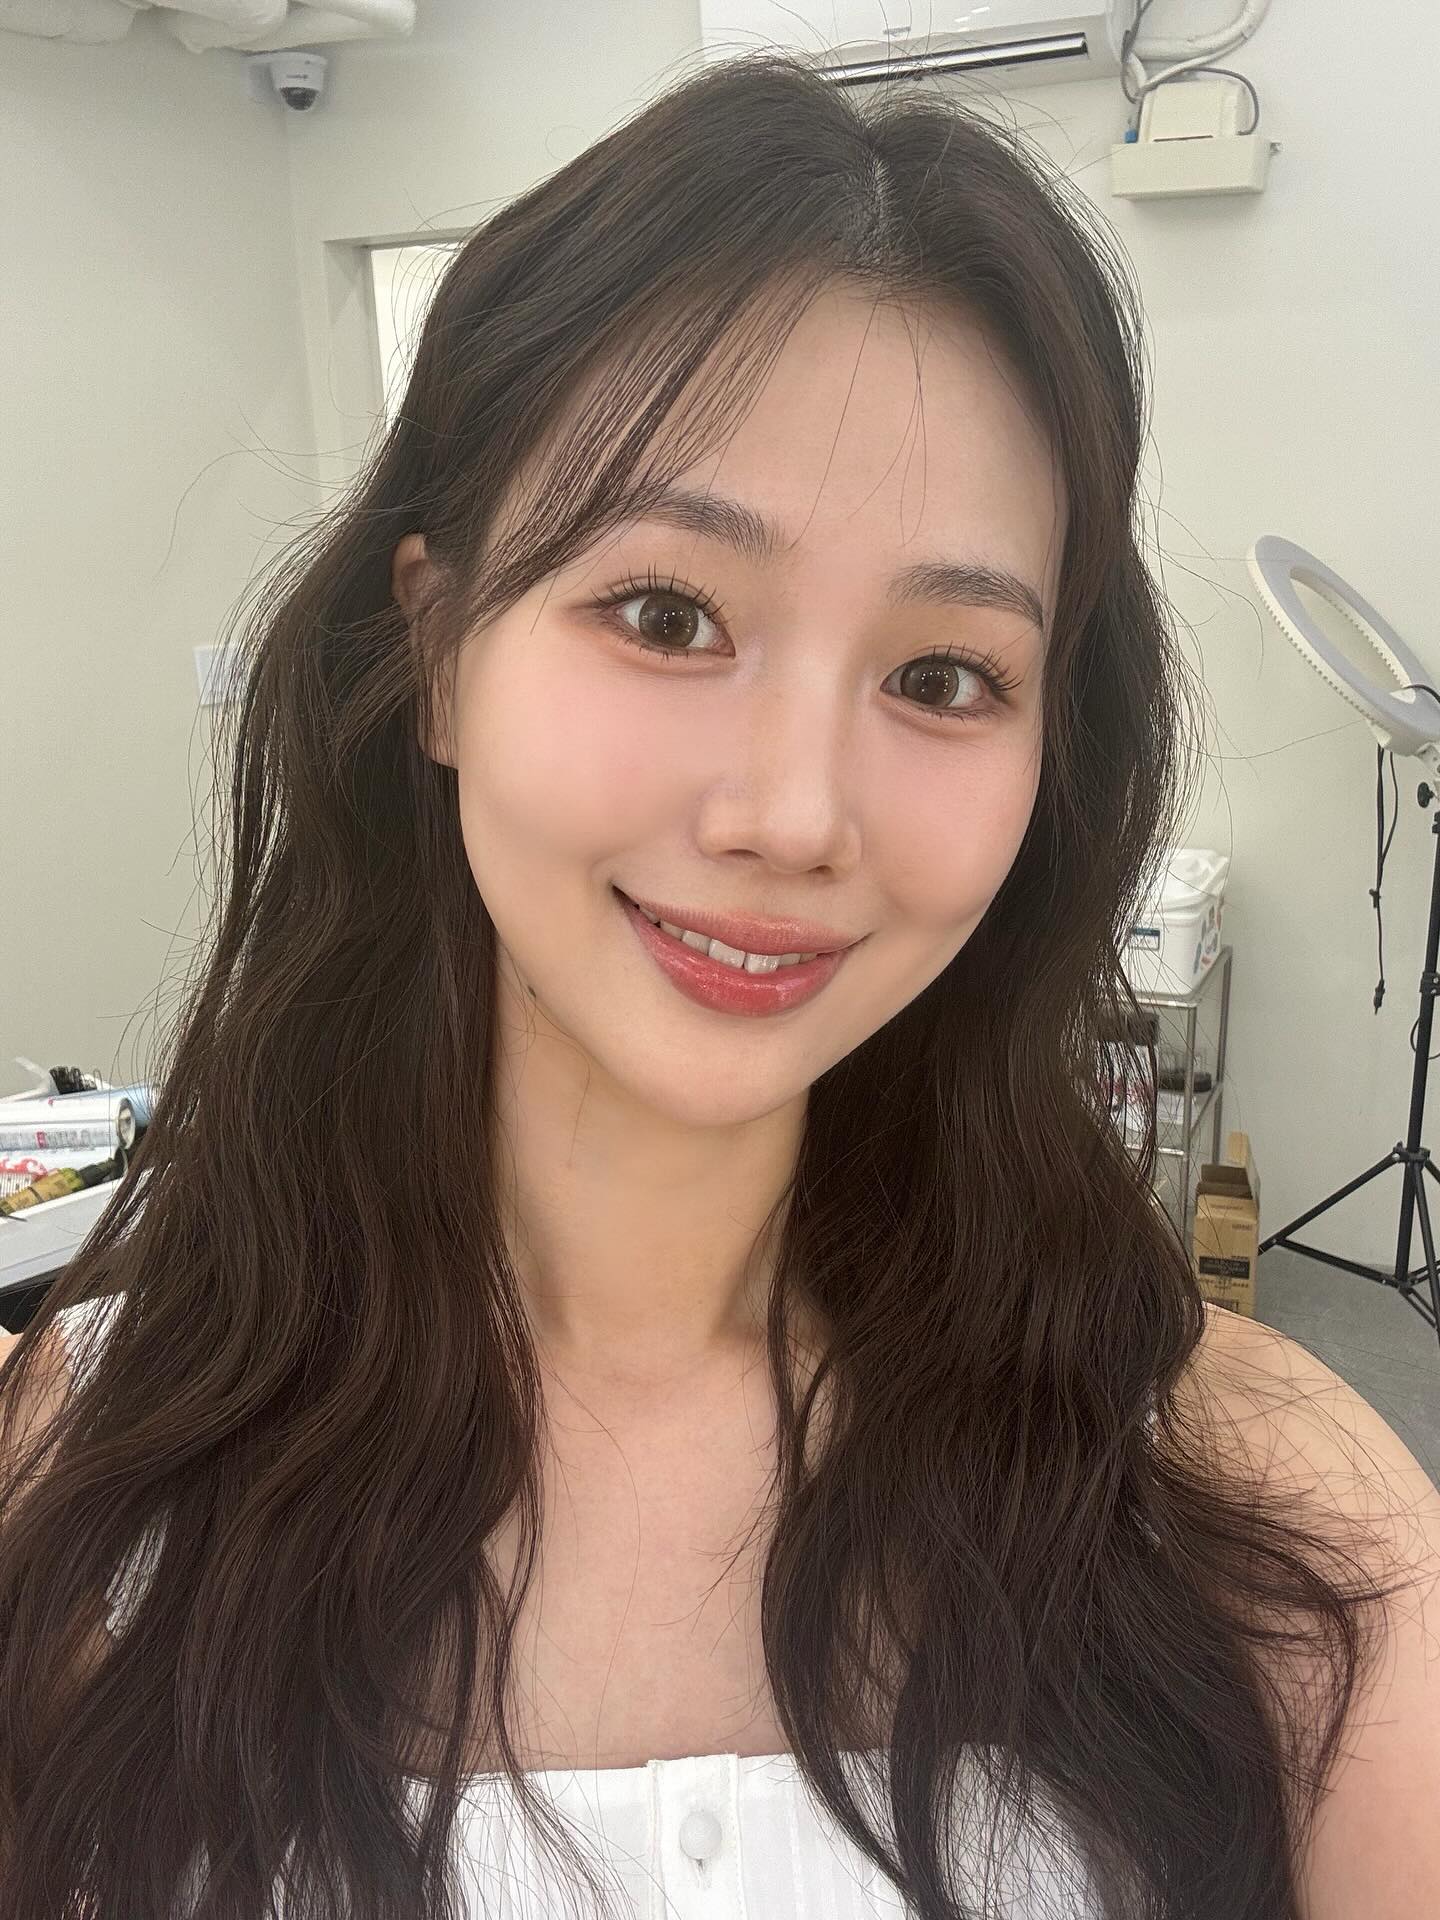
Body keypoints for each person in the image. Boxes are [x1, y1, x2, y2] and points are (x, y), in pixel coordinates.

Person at [2, 47, 1438, 1920]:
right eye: (667, 614)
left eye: (944, 677)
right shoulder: (86, 1484)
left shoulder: (1272, 1513)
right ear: (438, 653)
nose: (794, 816)